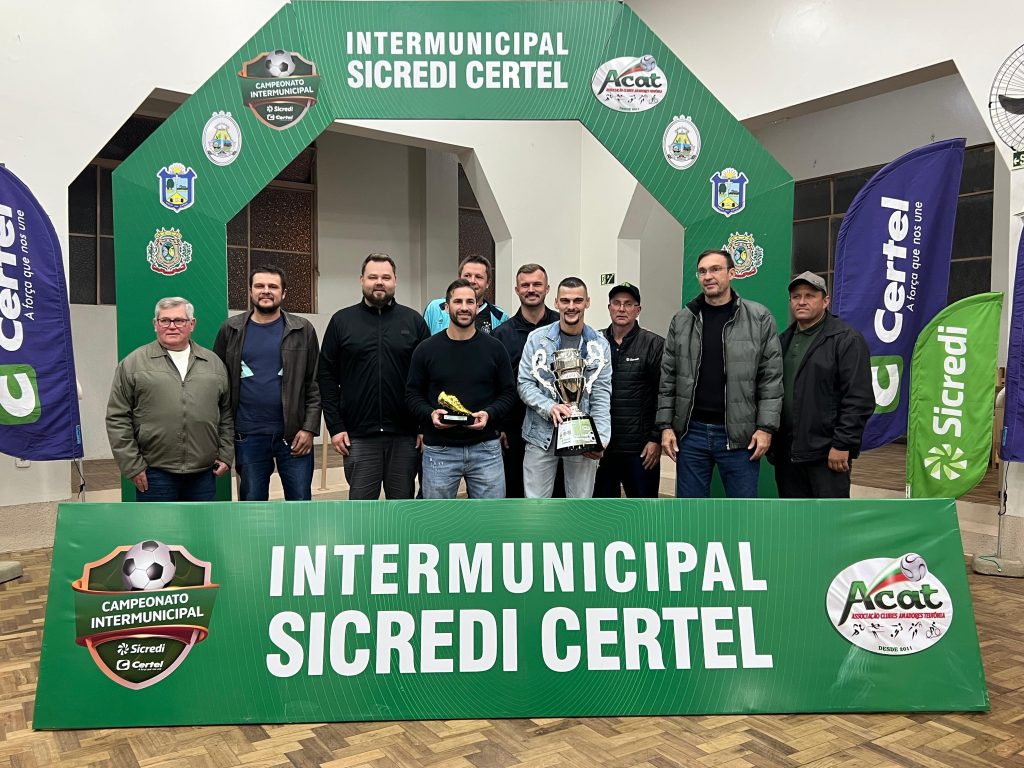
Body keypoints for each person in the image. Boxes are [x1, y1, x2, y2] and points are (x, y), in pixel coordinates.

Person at [657, 249, 783, 498]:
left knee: (741, 512)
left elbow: (771, 379)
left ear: (732, 273)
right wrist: (665, 426)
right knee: (690, 512)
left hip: (740, 437)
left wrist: (765, 428)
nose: (708, 276)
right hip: (691, 434)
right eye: (702, 271)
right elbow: (668, 378)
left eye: (715, 269)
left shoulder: (759, 318)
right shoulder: (682, 320)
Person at [319, 254, 430, 499]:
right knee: (362, 512)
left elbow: (428, 378)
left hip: (405, 437)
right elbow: (326, 377)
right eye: (373, 277)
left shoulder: (413, 321)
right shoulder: (341, 321)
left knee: (401, 511)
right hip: (358, 437)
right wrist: (335, 427)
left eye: (385, 277)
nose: (379, 282)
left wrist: (424, 426)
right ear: (362, 280)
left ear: (395, 280)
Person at [106, 297, 233, 502]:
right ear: (155, 324)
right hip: (154, 473)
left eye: (179, 320)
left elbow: (226, 414)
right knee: (158, 524)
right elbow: (117, 417)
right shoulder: (133, 364)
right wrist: (132, 465)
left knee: (200, 524)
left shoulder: (214, 364)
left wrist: (226, 454)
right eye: (164, 320)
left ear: (192, 324)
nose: (172, 326)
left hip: (203, 474)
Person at [212, 265, 321, 501]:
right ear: (250, 291)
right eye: (259, 285)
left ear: (284, 293)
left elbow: (314, 384)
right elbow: (217, 384)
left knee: (300, 504)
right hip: (247, 435)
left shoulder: (302, 329)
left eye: (273, 286)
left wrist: (309, 428)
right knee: (253, 506)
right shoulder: (230, 329)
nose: (266, 291)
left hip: (294, 436)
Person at [406, 279, 517, 498]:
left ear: (477, 306)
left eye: (469, 302)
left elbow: (508, 392)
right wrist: (430, 414)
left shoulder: (495, 348)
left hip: (486, 449)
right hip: (439, 450)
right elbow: (412, 394)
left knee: (490, 516)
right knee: (438, 518)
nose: (464, 307)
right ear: (446, 307)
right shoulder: (426, 350)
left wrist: (489, 414)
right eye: (458, 302)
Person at [769, 271, 874, 498]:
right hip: (788, 454)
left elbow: (859, 398)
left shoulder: (846, 339)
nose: (802, 301)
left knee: (829, 518)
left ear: (825, 301)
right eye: (796, 297)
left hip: (827, 455)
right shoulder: (783, 341)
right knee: (794, 517)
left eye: (810, 296)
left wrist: (843, 444)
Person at [518, 277, 612, 498]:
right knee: (535, 506)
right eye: (565, 300)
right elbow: (524, 384)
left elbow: (601, 394)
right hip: (540, 435)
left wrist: (601, 438)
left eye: (578, 300)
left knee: (579, 504)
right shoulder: (537, 339)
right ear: (556, 302)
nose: (571, 306)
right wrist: (549, 407)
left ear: (587, 302)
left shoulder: (599, 345)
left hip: (583, 436)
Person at [492, 263, 564, 498]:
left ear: (547, 289)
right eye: (525, 285)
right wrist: (499, 426)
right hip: (514, 429)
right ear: (517, 290)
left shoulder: (563, 328)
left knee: (558, 495)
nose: (531, 289)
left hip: (557, 426)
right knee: (515, 492)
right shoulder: (501, 335)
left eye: (537, 284)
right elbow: (495, 384)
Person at [595, 283, 665, 498]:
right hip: (602, 447)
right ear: (609, 307)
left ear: (638, 310)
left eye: (628, 304)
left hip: (640, 450)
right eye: (616, 303)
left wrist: (656, 439)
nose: (621, 309)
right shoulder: (594, 342)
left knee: (643, 512)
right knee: (603, 512)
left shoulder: (654, 344)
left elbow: (663, 395)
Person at [423, 255, 509, 335]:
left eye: (478, 277)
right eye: (467, 275)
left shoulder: (500, 317)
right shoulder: (435, 309)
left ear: (488, 283)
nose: (472, 281)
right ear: (459, 278)